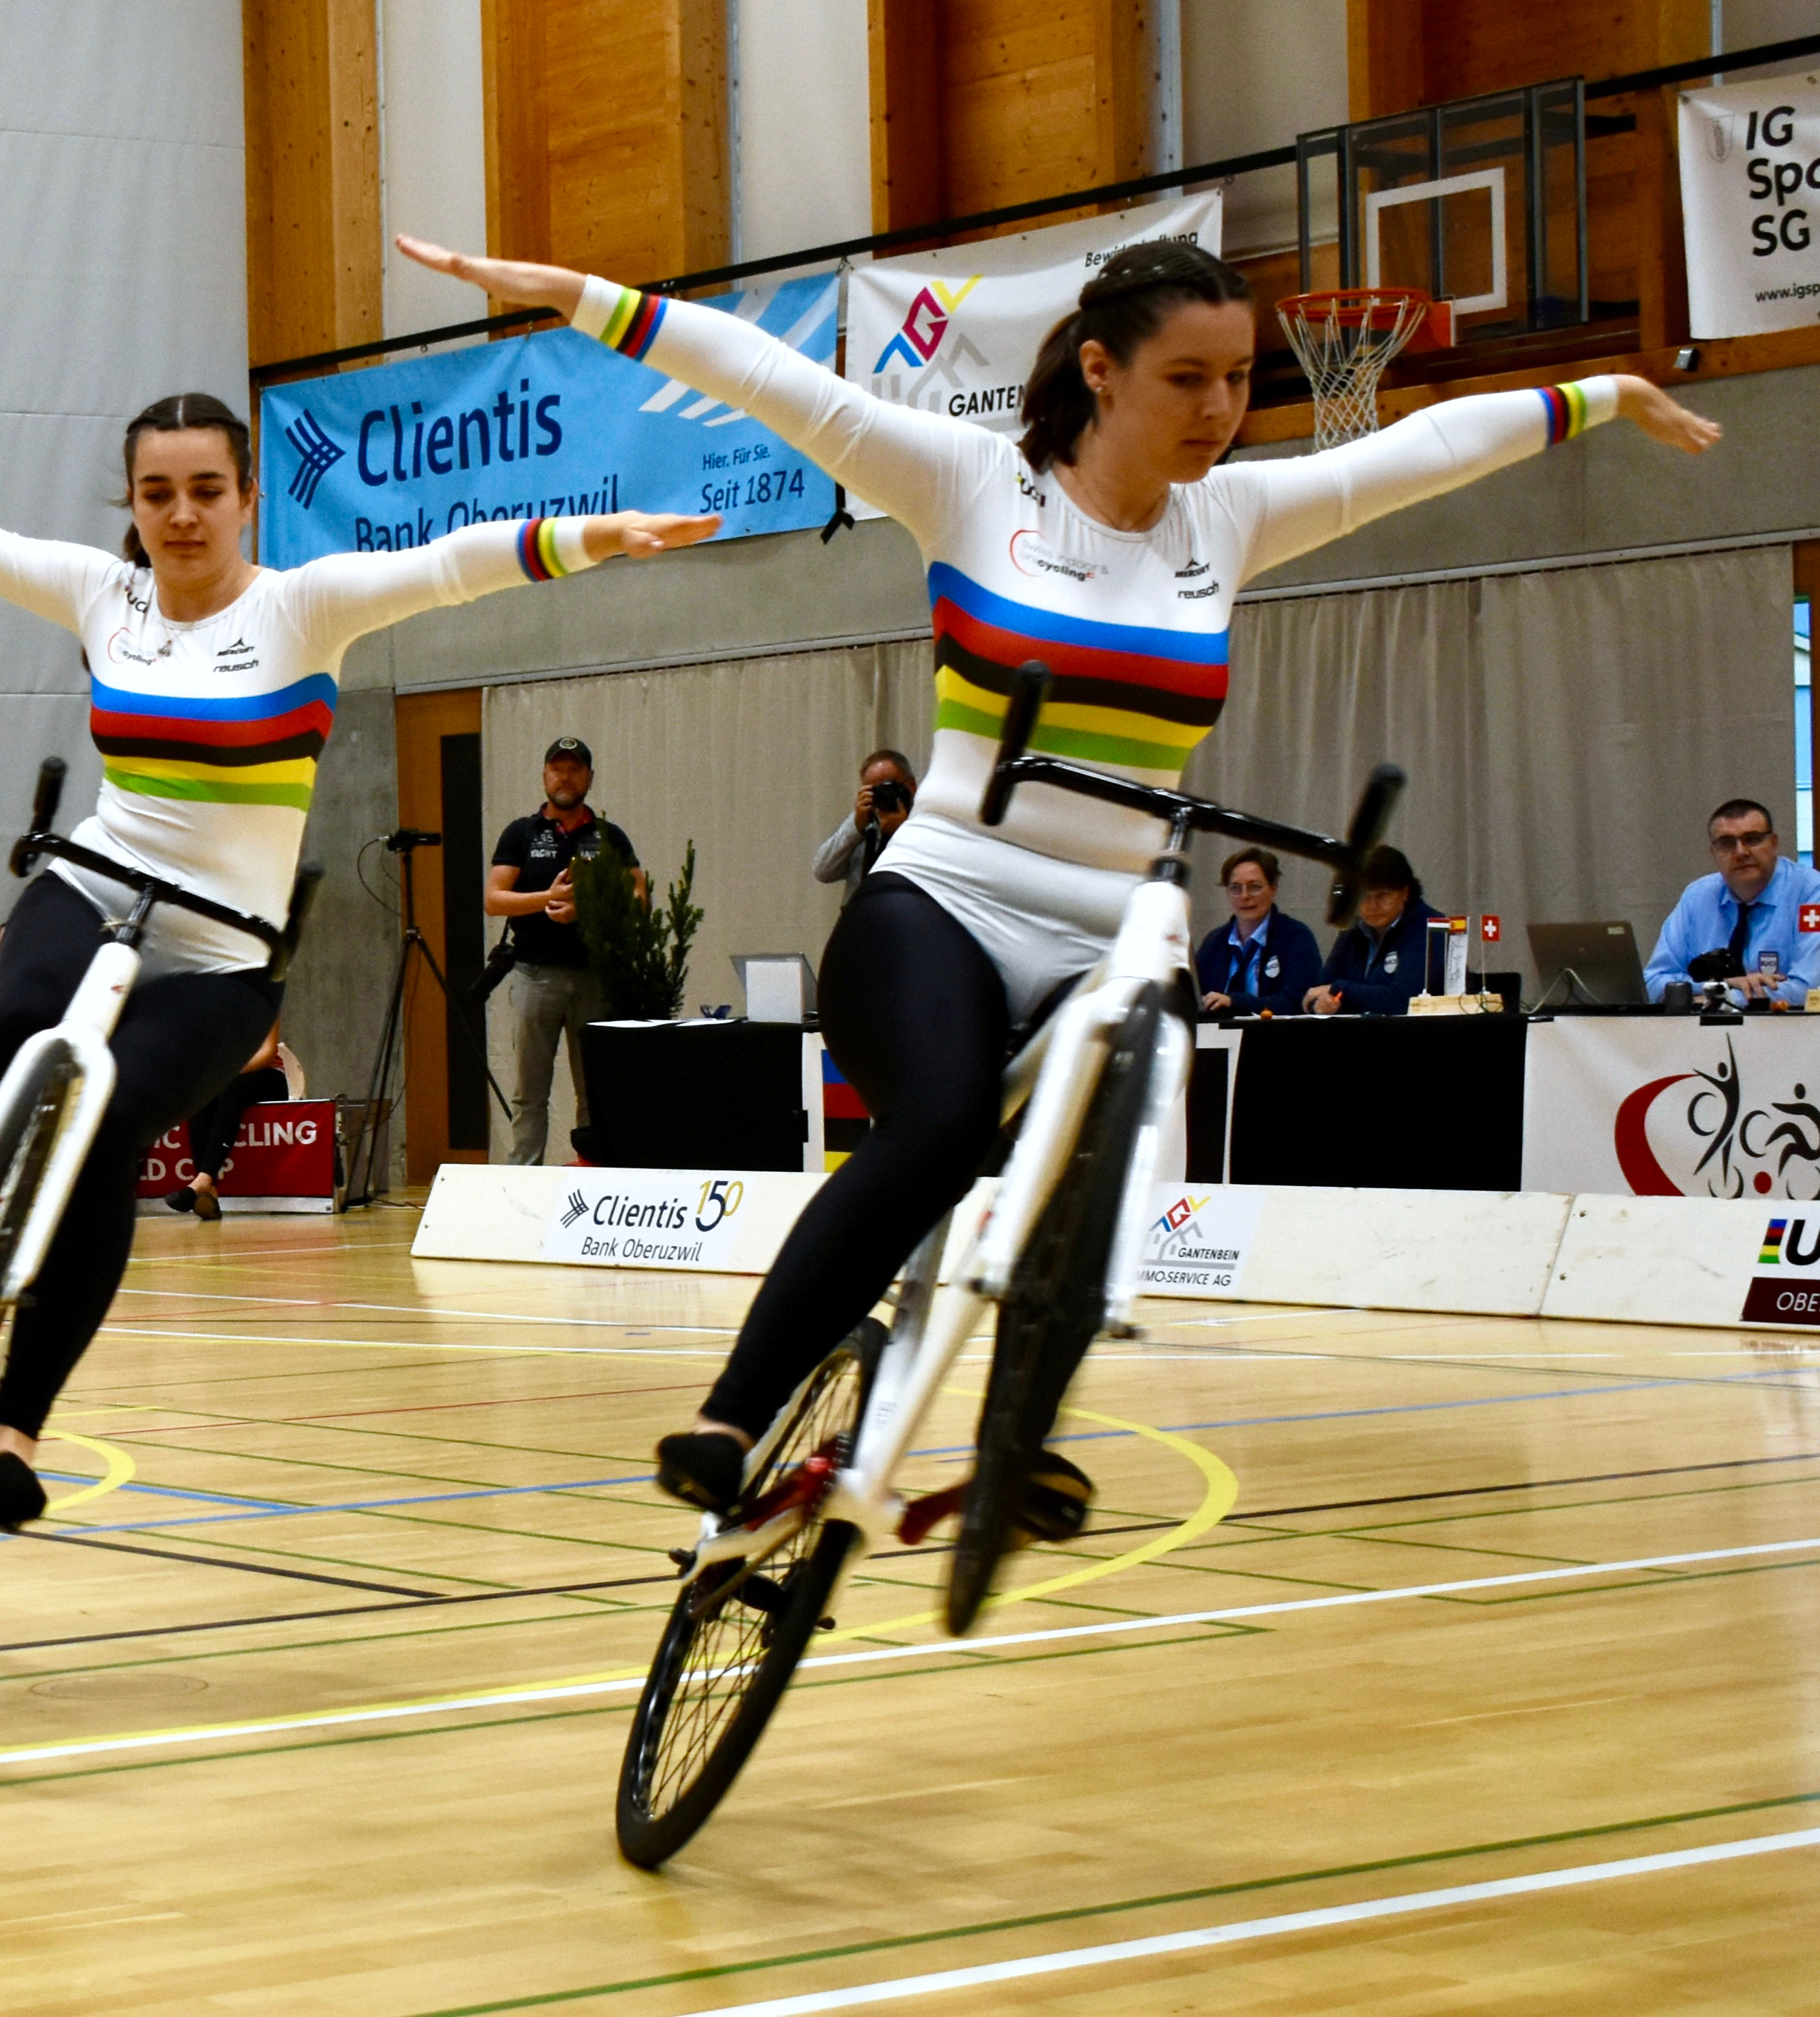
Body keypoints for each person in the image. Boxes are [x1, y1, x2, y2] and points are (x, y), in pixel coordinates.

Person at [396, 227, 1721, 1545]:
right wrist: (576, 293)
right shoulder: (974, 484)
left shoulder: (1232, 518)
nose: (1218, 409)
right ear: (1097, 368)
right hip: (944, 903)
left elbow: (1417, 456)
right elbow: (771, 381)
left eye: (1235, 380)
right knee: (932, 1127)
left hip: (1110, 927)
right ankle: (730, 1415)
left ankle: (1012, 1442)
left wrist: (1597, 394)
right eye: (1184, 379)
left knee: (1122, 1129)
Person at [0, 392, 718, 1529]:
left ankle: (11, 1427)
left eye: (204, 491)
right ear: (129, 504)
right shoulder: (105, 593)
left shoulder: (302, 607)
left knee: (102, 1134)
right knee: (22, 1027)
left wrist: (599, 535)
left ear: (245, 498)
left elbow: (452, 564)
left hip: (224, 951)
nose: (179, 515)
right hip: (95, 880)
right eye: (155, 493)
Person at [486, 738, 638, 1164]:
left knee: (594, 1088)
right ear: (544, 777)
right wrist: (547, 899)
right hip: (535, 975)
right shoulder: (522, 833)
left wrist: (584, 908)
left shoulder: (607, 835)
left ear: (589, 777)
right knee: (529, 1091)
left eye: (574, 769)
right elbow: (494, 899)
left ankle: (596, 1170)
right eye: (557, 768)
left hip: (594, 976)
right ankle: (524, 1177)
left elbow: (639, 896)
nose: (565, 777)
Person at [1643, 798, 1820, 1010]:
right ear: (1713, 853)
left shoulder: (1810, 892)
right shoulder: (1698, 896)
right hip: (1705, 1038)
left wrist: (1725, 1000)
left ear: (1774, 844)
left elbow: (1810, 990)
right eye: (1727, 843)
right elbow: (1653, 983)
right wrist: (1719, 985)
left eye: (1752, 839)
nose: (1741, 852)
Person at [168, 1020, 302, 1218]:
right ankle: (208, 1190)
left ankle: (203, 1180)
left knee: (231, 1088)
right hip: (230, 1076)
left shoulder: (264, 1002)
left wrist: (227, 1068)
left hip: (267, 1077)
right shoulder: (216, 1010)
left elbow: (266, 1056)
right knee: (202, 1094)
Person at [1305, 847, 1434, 1015]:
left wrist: (1339, 989)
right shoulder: (1353, 930)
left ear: (1405, 892)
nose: (1373, 906)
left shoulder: (1429, 927)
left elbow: (1403, 1001)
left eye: (1382, 896)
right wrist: (1320, 1004)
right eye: (1364, 896)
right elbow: (1316, 992)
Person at [1197, 846, 1321, 1016]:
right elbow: (1195, 998)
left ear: (1274, 888)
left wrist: (1235, 1002)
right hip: (1218, 1038)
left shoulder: (1296, 937)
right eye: (1235, 888)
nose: (1245, 896)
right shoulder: (1215, 942)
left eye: (1255, 887)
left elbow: (1297, 1001)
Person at [810, 748, 917, 903]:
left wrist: (903, 832)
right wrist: (856, 827)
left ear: (912, 785)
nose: (882, 794)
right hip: (861, 920)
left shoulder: (927, 822)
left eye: (888, 786)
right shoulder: (864, 823)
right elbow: (822, 871)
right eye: (874, 790)